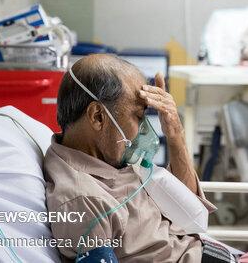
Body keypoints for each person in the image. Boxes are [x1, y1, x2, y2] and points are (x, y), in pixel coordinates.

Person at [44, 54, 233, 262]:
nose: (145, 131)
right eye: (138, 116)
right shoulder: (84, 200)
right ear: (98, 116)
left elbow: (189, 212)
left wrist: (175, 134)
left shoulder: (109, 158)